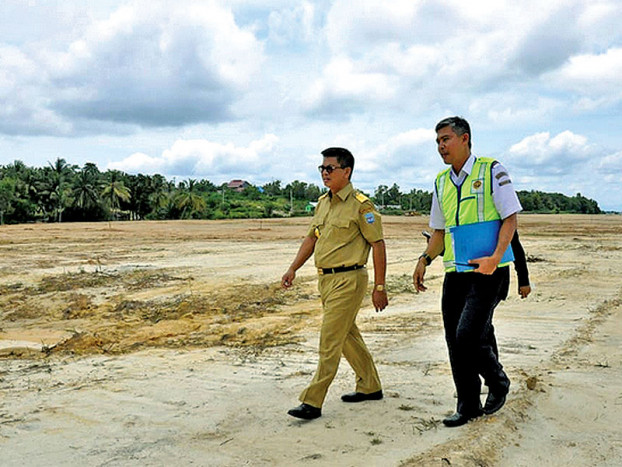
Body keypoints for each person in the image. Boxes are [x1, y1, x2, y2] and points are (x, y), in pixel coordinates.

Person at [413, 116, 522, 427]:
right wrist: (425, 259)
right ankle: (468, 404)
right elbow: (438, 230)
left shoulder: (491, 170)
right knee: (455, 339)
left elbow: (510, 220)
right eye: (437, 141)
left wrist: (495, 257)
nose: (441, 146)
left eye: (445, 139)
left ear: (465, 139)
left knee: (467, 337)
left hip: (491, 270)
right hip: (456, 273)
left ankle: (497, 381)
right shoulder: (441, 181)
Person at [282, 147, 388, 420]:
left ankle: (312, 401)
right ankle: (370, 385)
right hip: (325, 280)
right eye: (322, 168)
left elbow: (378, 244)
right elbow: (312, 238)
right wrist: (293, 268)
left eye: (330, 168)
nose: (325, 173)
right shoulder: (323, 203)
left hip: (349, 279)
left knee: (330, 338)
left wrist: (380, 287)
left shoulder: (361, 205)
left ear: (347, 171)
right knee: (346, 336)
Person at [422, 230, 531, 298]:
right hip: (459, 276)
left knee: (473, 329)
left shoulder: (496, 214)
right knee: (477, 329)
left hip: (491, 276)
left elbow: (515, 247)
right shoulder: (454, 211)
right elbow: (456, 250)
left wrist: (524, 280)